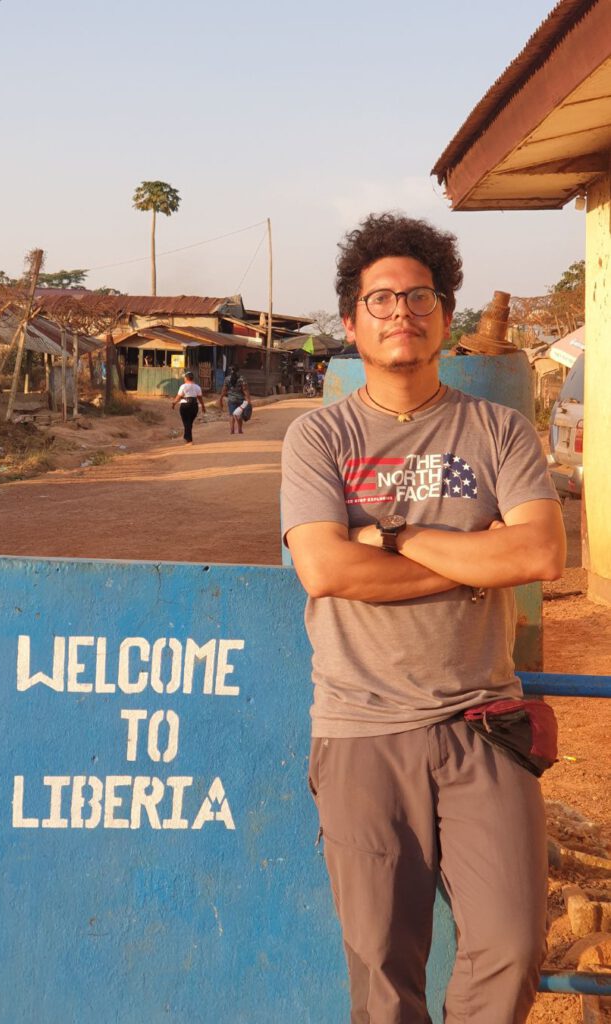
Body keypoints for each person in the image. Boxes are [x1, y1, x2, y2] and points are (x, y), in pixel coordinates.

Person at [281, 212, 566, 1024]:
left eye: (419, 296)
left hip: (483, 721)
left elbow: (537, 556)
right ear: (350, 322)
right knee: (380, 966)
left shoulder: (497, 429)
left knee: (511, 947)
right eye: (380, 299)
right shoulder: (318, 437)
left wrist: (395, 536)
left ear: (445, 315)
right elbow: (325, 568)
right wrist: (468, 559)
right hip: (361, 728)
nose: (399, 311)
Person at [171, 370, 205, 444]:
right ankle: (186, 437)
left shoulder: (183, 386)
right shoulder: (197, 387)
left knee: (187, 423)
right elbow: (200, 398)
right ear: (192, 378)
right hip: (194, 406)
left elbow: (178, 396)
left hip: (185, 405)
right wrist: (203, 406)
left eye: (184, 378)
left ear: (186, 378)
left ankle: (189, 440)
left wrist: (174, 403)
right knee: (189, 423)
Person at [219, 366, 251, 435]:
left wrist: (220, 398)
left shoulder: (227, 379)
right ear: (238, 371)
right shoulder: (242, 379)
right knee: (238, 414)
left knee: (231, 415)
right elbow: (245, 390)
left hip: (231, 400)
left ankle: (232, 430)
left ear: (231, 371)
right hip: (240, 400)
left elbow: (224, 390)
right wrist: (248, 400)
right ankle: (240, 430)